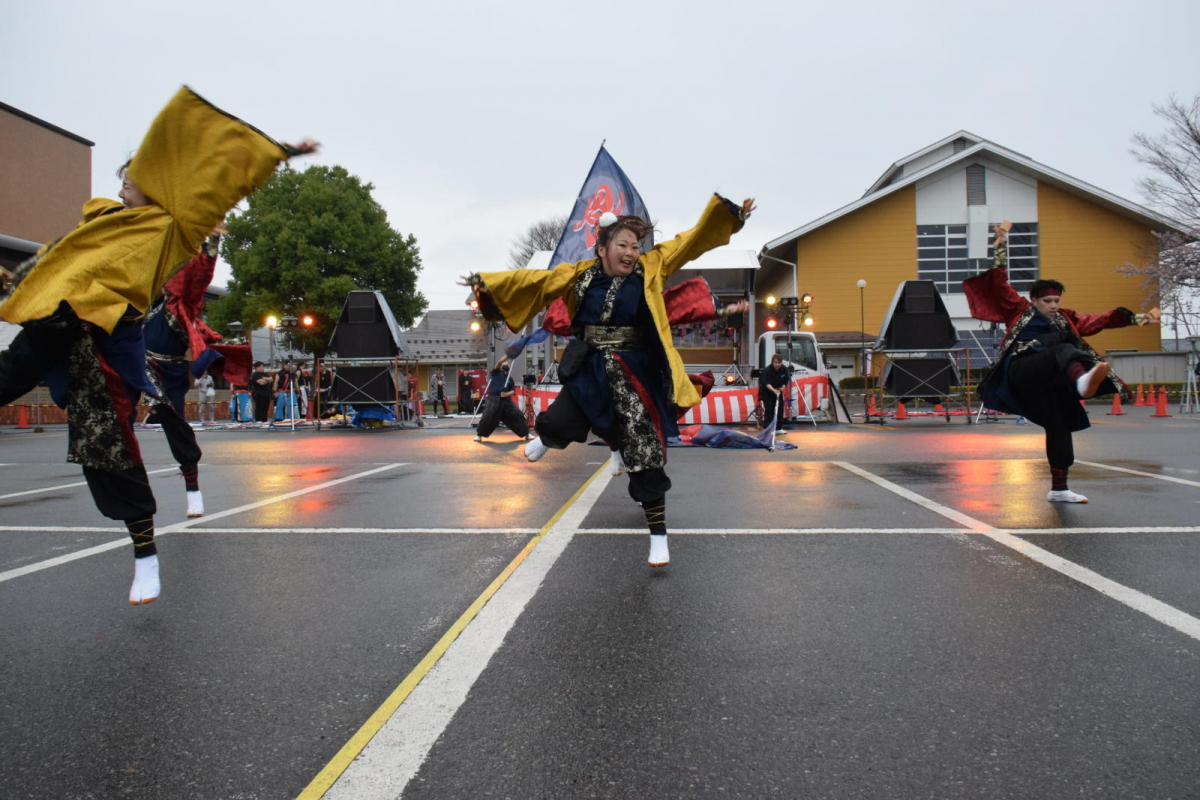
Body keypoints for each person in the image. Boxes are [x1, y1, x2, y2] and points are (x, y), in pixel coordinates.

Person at [0, 85, 318, 604]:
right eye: (124, 177)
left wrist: (279, 151)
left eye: (134, 179)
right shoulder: (100, 219)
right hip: (55, 322)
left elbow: (217, 187)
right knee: (7, 376)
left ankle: (146, 554)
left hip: (108, 343)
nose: (125, 183)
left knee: (111, 449)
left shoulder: (170, 230)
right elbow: (58, 264)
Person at [466, 194, 755, 567]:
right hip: (589, 367)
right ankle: (550, 439)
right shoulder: (578, 275)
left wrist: (730, 216)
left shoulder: (651, 268)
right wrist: (486, 285)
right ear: (602, 248)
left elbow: (690, 241)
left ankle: (658, 536)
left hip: (636, 371)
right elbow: (534, 280)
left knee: (646, 455)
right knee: (559, 420)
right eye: (623, 245)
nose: (631, 252)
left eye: (636, 246)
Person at [964, 221, 1159, 503]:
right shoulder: (1018, 309)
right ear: (1034, 300)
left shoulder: (1066, 318)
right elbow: (999, 280)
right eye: (1047, 301)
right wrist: (1001, 241)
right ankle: (1081, 381)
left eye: (1056, 300)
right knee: (1063, 348)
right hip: (1022, 371)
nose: (1053, 305)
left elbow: (1098, 321)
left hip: (1048, 383)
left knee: (1060, 425)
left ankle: (1059, 489)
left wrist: (1143, 318)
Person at [474, 356, 531, 442]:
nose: (506, 364)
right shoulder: (496, 372)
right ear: (501, 365)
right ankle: (479, 435)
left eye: (507, 363)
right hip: (494, 398)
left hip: (506, 400)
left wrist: (507, 394)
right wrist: (509, 355)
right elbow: (499, 361)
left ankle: (526, 434)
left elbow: (513, 391)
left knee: (517, 415)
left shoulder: (510, 378)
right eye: (505, 363)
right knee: (488, 416)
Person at [758, 353, 789, 430]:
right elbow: (766, 383)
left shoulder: (784, 369)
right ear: (772, 362)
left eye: (779, 363)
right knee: (769, 409)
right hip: (767, 392)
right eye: (775, 362)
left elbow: (785, 381)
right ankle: (767, 427)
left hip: (778, 391)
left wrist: (782, 388)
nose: (777, 364)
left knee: (780, 409)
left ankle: (778, 428)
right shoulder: (767, 370)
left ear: (781, 363)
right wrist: (773, 390)